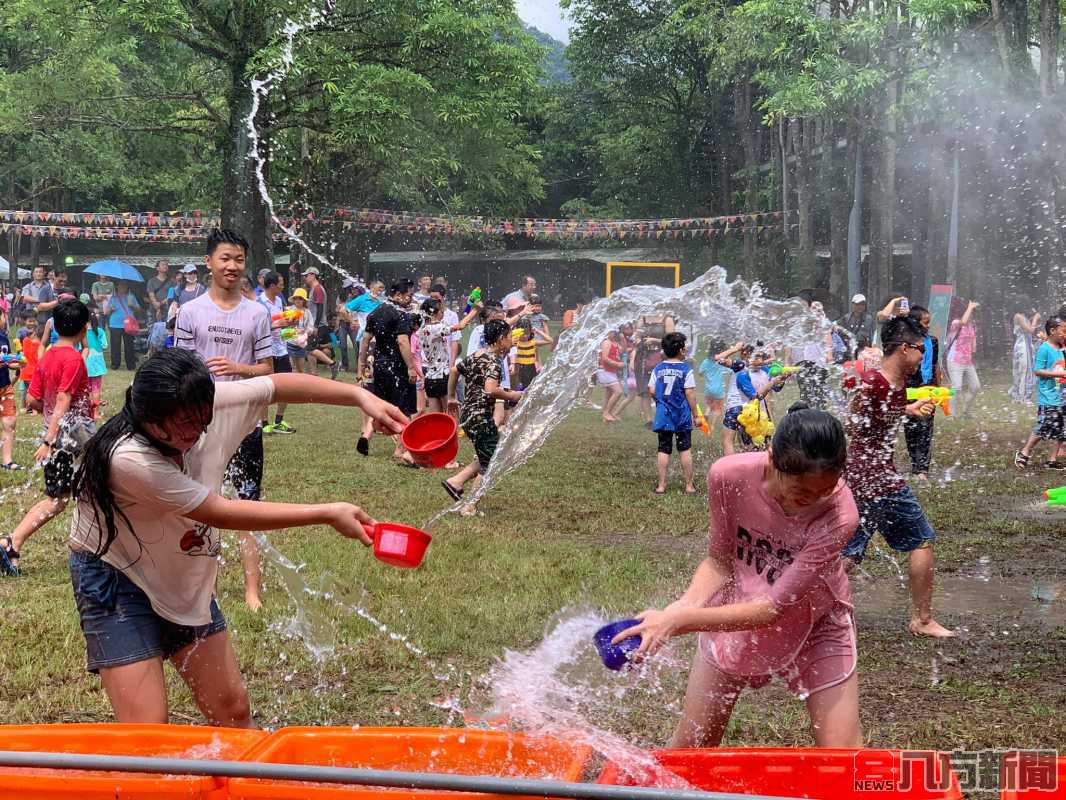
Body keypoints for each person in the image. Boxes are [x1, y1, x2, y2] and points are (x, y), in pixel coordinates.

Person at [66, 347, 407, 725]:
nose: (194, 431)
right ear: (148, 418)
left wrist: (361, 396)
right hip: (116, 577)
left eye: (201, 419)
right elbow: (221, 513)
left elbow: (276, 386)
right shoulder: (128, 458)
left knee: (232, 710)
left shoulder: (199, 403)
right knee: (148, 731)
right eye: (181, 424)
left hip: (179, 569)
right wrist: (326, 513)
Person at [612, 404, 862, 749]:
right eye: (803, 492)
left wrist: (680, 621)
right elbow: (719, 562)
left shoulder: (841, 514)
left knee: (844, 758)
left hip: (815, 623)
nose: (815, 501)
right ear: (772, 458)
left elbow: (774, 608)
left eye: (826, 490)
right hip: (736, 607)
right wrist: (679, 609)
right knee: (690, 750)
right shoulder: (729, 476)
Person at [175, 228, 273, 612]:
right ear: (209, 262)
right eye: (225, 259)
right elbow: (178, 368)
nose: (232, 266)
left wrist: (237, 368)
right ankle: (202, 585)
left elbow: (267, 368)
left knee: (247, 502)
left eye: (239, 260)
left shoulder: (257, 313)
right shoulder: (190, 312)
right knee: (201, 503)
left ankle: (252, 590)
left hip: (245, 424)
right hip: (200, 424)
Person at [841, 314, 954, 638]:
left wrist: (908, 408)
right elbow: (852, 421)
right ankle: (921, 620)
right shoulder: (875, 381)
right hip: (876, 478)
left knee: (849, 552)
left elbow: (880, 406)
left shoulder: (892, 383)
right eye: (920, 349)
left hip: (865, 475)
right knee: (922, 539)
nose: (923, 356)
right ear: (904, 348)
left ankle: (800, 604)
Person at [1, 299, 94, 576]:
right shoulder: (74, 358)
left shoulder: (48, 356)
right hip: (71, 437)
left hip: (60, 435)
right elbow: (64, 398)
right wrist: (50, 439)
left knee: (66, 496)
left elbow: (32, 399)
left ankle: (13, 543)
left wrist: (49, 425)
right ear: (84, 328)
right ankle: (11, 542)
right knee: (64, 497)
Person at [442, 319, 523, 514]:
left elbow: (454, 370)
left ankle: (456, 481)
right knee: (492, 462)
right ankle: (470, 506)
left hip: (469, 415)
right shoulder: (493, 362)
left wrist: (452, 397)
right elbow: (490, 390)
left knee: (489, 453)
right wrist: (513, 395)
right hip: (481, 416)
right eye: (510, 337)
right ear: (501, 339)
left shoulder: (478, 354)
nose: (512, 340)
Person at [358, 280, 418, 464]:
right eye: (408, 295)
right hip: (397, 368)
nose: (410, 299)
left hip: (380, 366)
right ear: (398, 295)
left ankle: (366, 436)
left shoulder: (375, 312)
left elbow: (365, 341)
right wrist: (410, 366)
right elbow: (402, 342)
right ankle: (401, 450)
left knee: (381, 406)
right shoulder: (401, 314)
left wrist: (361, 365)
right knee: (404, 409)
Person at [1014, 316, 1066, 470]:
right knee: (1044, 426)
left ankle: (1052, 459)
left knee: (1062, 429)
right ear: (1052, 331)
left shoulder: (1062, 349)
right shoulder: (1045, 349)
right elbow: (1037, 371)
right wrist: (1059, 374)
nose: (1065, 334)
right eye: (1063, 331)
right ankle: (1024, 452)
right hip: (1049, 397)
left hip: (1062, 396)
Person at [649, 332, 698, 495]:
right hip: (682, 415)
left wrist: (661, 400)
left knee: (663, 449)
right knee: (685, 449)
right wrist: (696, 414)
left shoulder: (658, 368)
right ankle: (689, 486)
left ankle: (661, 486)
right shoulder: (686, 369)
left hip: (663, 415)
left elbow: (651, 390)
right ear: (681, 350)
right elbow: (690, 393)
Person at [718, 342, 786, 456]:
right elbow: (772, 389)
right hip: (751, 411)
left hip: (749, 411)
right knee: (754, 444)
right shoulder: (752, 370)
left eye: (759, 356)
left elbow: (776, 388)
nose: (758, 360)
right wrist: (777, 381)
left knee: (735, 442)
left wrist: (782, 378)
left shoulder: (748, 368)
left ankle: (739, 468)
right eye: (757, 356)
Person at [418, 298, 479, 415]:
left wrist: (468, 307)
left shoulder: (423, 329)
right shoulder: (436, 328)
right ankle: (453, 433)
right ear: (433, 313)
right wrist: (475, 310)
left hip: (430, 378)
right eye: (441, 311)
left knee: (436, 418)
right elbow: (460, 326)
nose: (443, 313)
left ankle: (437, 434)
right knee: (452, 415)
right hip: (443, 376)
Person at [903, 306, 941, 480]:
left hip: (927, 386)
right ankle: (915, 463)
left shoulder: (932, 341)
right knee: (911, 427)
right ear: (914, 323)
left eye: (928, 322)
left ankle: (922, 469)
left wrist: (938, 388)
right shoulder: (905, 342)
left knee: (926, 427)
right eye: (925, 322)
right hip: (909, 388)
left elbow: (934, 365)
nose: (928, 326)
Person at [258, 271, 296, 435]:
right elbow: (258, 329)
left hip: (281, 348)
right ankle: (265, 423)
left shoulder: (279, 300)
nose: (283, 286)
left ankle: (279, 421)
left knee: (287, 386)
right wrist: (276, 324)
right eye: (280, 283)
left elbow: (280, 325)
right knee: (265, 388)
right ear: (272, 285)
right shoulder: (259, 303)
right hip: (266, 350)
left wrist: (292, 329)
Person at [633, 313, 676, 426]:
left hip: (661, 357)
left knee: (662, 390)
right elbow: (636, 336)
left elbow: (672, 341)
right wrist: (638, 340)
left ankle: (663, 417)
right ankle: (649, 421)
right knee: (645, 390)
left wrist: (655, 340)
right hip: (643, 358)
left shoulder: (667, 319)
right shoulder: (642, 318)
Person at [946, 299, 980, 417]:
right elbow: (963, 322)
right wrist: (969, 307)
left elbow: (973, 339)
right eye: (970, 311)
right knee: (956, 387)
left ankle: (966, 411)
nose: (972, 314)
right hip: (955, 360)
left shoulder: (972, 325)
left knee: (975, 386)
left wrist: (973, 347)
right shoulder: (956, 323)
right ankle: (951, 413)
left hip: (967, 361)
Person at [0, 306, 20, 470]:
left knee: (10, 422)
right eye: (3, 316)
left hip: (5, 386)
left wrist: (19, 363)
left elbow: (9, 362)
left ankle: (7, 460)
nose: (4, 319)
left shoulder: (4, 339)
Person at [108, 281, 142, 371]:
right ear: (117, 286)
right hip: (115, 324)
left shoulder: (131, 296)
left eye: (125, 285)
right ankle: (115, 364)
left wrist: (133, 306)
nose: (123, 287)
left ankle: (130, 365)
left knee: (129, 345)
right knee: (115, 345)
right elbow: (106, 312)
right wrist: (111, 309)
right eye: (121, 285)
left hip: (128, 324)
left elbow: (139, 309)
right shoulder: (113, 298)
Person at [1009, 307, 1040, 405]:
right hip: (1023, 346)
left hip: (1024, 344)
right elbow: (1030, 330)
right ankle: (1024, 397)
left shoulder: (1021, 316)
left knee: (1021, 371)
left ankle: (1018, 395)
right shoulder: (1019, 316)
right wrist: (1035, 319)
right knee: (1025, 371)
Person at [83, 305, 109, 417]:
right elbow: (104, 346)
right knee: (96, 389)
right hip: (98, 363)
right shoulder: (100, 331)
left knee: (86, 389)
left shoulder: (81, 332)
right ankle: (96, 413)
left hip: (85, 362)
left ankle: (87, 412)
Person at [597, 329, 626, 423]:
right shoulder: (606, 342)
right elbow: (604, 358)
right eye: (611, 331)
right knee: (618, 391)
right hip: (604, 370)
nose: (613, 333)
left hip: (611, 371)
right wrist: (617, 364)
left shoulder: (615, 343)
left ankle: (605, 417)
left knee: (608, 394)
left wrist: (623, 339)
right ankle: (606, 413)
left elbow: (623, 350)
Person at [697, 344, 728, 431]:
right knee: (717, 409)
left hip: (708, 390)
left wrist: (705, 375)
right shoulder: (721, 362)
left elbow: (700, 372)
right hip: (719, 390)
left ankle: (706, 414)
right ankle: (713, 426)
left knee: (710, 405)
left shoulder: (706, 361)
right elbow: (729, 370)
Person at [335, 279, 361, 372]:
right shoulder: (340, 297)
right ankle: (345, 366)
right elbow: (338, 310)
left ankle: (359, 366)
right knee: (343, 346)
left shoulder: (357, 298)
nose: (350, 290)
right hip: (343, 323)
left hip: (353, 323)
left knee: (356, 345)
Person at [21, 265, 57, 329]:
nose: (38, 274)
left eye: (40, 272)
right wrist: (41, 301)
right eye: (36, 272)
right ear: (33, 274)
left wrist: (41, 304)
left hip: (46, 322)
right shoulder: (28, 286)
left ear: (44, 274)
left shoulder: (49, 287)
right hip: (31, 322)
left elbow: (52, 302)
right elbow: (25, 297)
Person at [17, 316, 40, 413]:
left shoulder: (25, 341)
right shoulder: (38, 344)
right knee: (33, 392)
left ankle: (25, 408)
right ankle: (33, 409)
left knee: (27, 391)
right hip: (33, 372)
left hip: (25, 372)